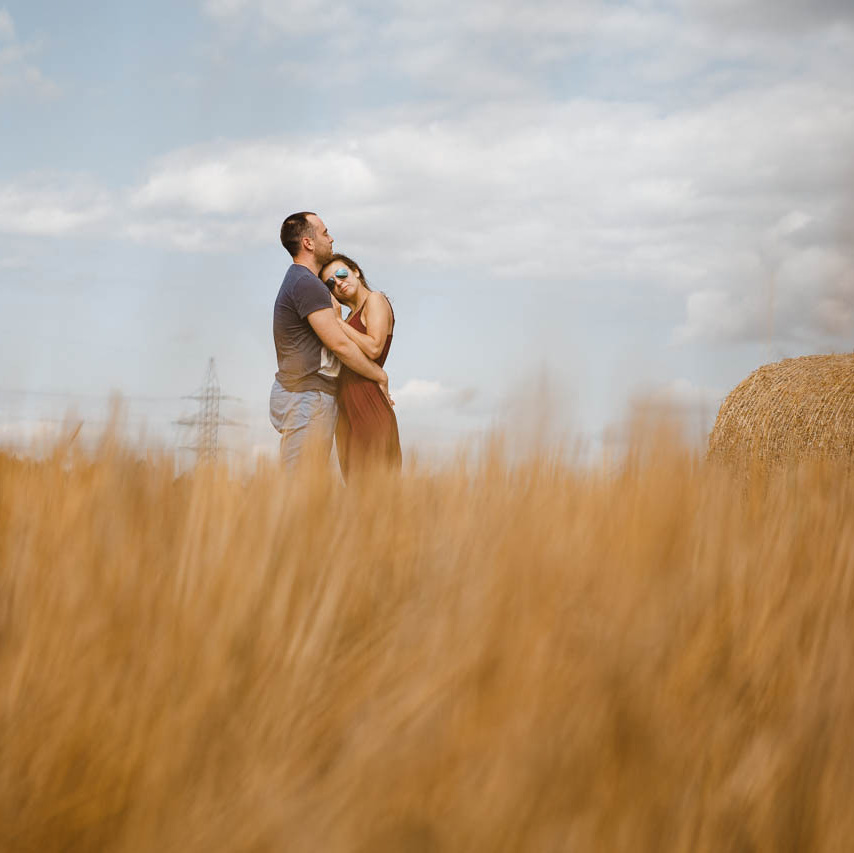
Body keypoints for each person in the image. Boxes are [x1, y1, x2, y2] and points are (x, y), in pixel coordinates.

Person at [270, 212, 390, 469]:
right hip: (307, 397)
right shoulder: (306, 283)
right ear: (308, 243)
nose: (331, 238)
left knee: (308, 487)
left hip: (307, 396)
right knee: (301, 488)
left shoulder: (303, 282)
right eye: (325, 233)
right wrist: (379, 375)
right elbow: (340, 345)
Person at [319, 253, 402, 479]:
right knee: (357, 493)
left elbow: (375, 347)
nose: (338, 282)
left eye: (341, 273)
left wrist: (336, 323)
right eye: (330, 283)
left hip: (368, 403)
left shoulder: (374, 299)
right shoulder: (348, 318)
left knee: (376, 489)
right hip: (347, 409)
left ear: (355, 271)